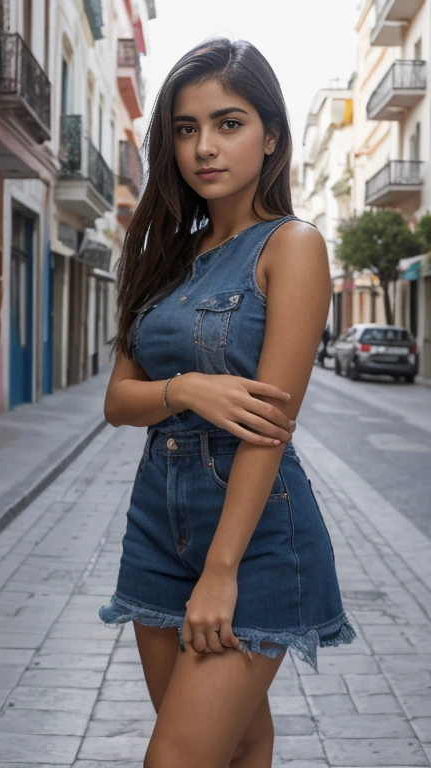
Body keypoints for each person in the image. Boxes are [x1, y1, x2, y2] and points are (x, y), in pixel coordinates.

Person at [99, 37, 355, 768]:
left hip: (254, 536)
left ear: (270, 134)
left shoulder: (292, 245)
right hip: (155, 523)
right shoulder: (162, 251)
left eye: (229, 123)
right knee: (240, 744)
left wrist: (222, 570)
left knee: (174, 758)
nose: (204, 147)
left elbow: (269, 426)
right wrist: (185, 388)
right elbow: (118, 400)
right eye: (186, 128)